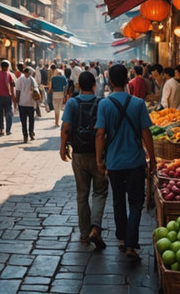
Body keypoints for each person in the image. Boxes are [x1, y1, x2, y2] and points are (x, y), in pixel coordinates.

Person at [95, 64, 156, 261]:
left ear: (110, 81)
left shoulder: (104, 104)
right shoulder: (138, 104)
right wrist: (152, 159)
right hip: (135, 162)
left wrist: (99, 160)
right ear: (127, 79)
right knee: (136, 202)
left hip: (114, 163)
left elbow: (100, 135)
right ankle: (131, 244)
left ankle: (122, 240)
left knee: (118, 201)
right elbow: (146, 133)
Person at [60, 71, 108, 249]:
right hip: (98, 155)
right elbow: (103, 132)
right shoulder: (101, 103)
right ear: (95, 85)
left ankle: (84, 233)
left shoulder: (72, 102)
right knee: (100, 193)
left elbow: (66, 128)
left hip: (79, 154)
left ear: (78, 85)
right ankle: (96, 228)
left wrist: (63, 147)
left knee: (82, 194)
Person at [15, 67, 40, 143]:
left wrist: (17, 100)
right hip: (30, 103)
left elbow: (18, 91)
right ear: (29, 72)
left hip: (22, 103)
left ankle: (25, 135)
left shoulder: (20, 79)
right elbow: (36, 90)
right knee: (31, 120)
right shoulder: (32, 79)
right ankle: (31, 133)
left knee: (23, 121)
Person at [0, 60, 16, 135]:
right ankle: (8, 129)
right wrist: (13, 96)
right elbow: (12, 86)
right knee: (8, 113)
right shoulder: (9, 75)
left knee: (0, 113)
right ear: (7, 67)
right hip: (7, 96)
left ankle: (1, 129)